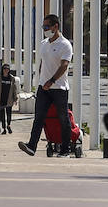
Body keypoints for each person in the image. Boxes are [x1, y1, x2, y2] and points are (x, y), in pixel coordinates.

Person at [18, 13, 72, 157]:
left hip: (59, 88)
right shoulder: (44, 44)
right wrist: (41, 82)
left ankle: (65, 149)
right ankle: (32, 146)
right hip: (43, 88)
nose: (45, 29)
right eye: (44, 26)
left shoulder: (65, 44)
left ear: (56, 26)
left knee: (63, 118)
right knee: (39, 117)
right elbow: (42, 63)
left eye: (47, 26)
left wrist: (52, 80)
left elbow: (64, 66)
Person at [0, 62, 19, 134]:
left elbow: (14, 89)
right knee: (2, 114)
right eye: (4, 68)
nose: (6, 70)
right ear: (2, 69)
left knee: (9, 113)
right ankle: (4, 128)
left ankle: (8, 125)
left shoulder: (12, 78)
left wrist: (15, 98)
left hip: (9, 99)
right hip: (0, 99)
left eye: (7, 69)